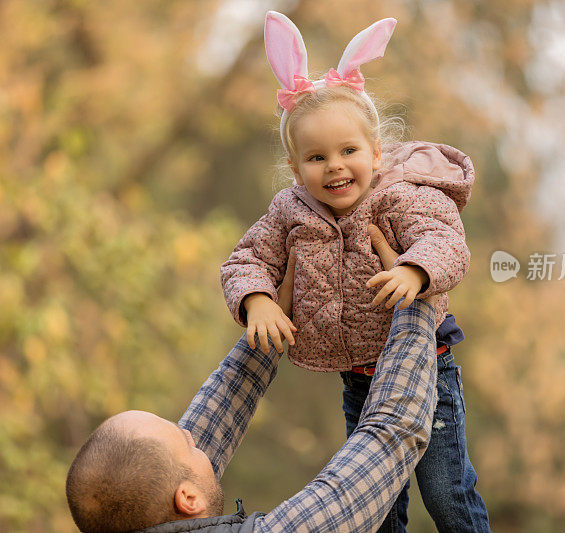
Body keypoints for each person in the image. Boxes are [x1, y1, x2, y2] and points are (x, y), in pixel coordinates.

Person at [220, 11, 489, 532]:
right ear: (297, 169)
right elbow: (245, 259)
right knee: (375, 507)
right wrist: (258, 299)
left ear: (375, 151)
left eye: (348, 151)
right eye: (317, 157)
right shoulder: (290, 212)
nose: (335, 166)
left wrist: (415, 270)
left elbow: (446, 242)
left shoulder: (401, 195)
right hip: (359, 381)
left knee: (445, 492)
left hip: (426, 368)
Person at [66, 227, 440, 532]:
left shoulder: (150, 511)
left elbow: (216, 414)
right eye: (187, 443)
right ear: (188, 499)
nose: (196, 437)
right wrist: (416, 299)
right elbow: (390, 433)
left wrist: (271, 324)